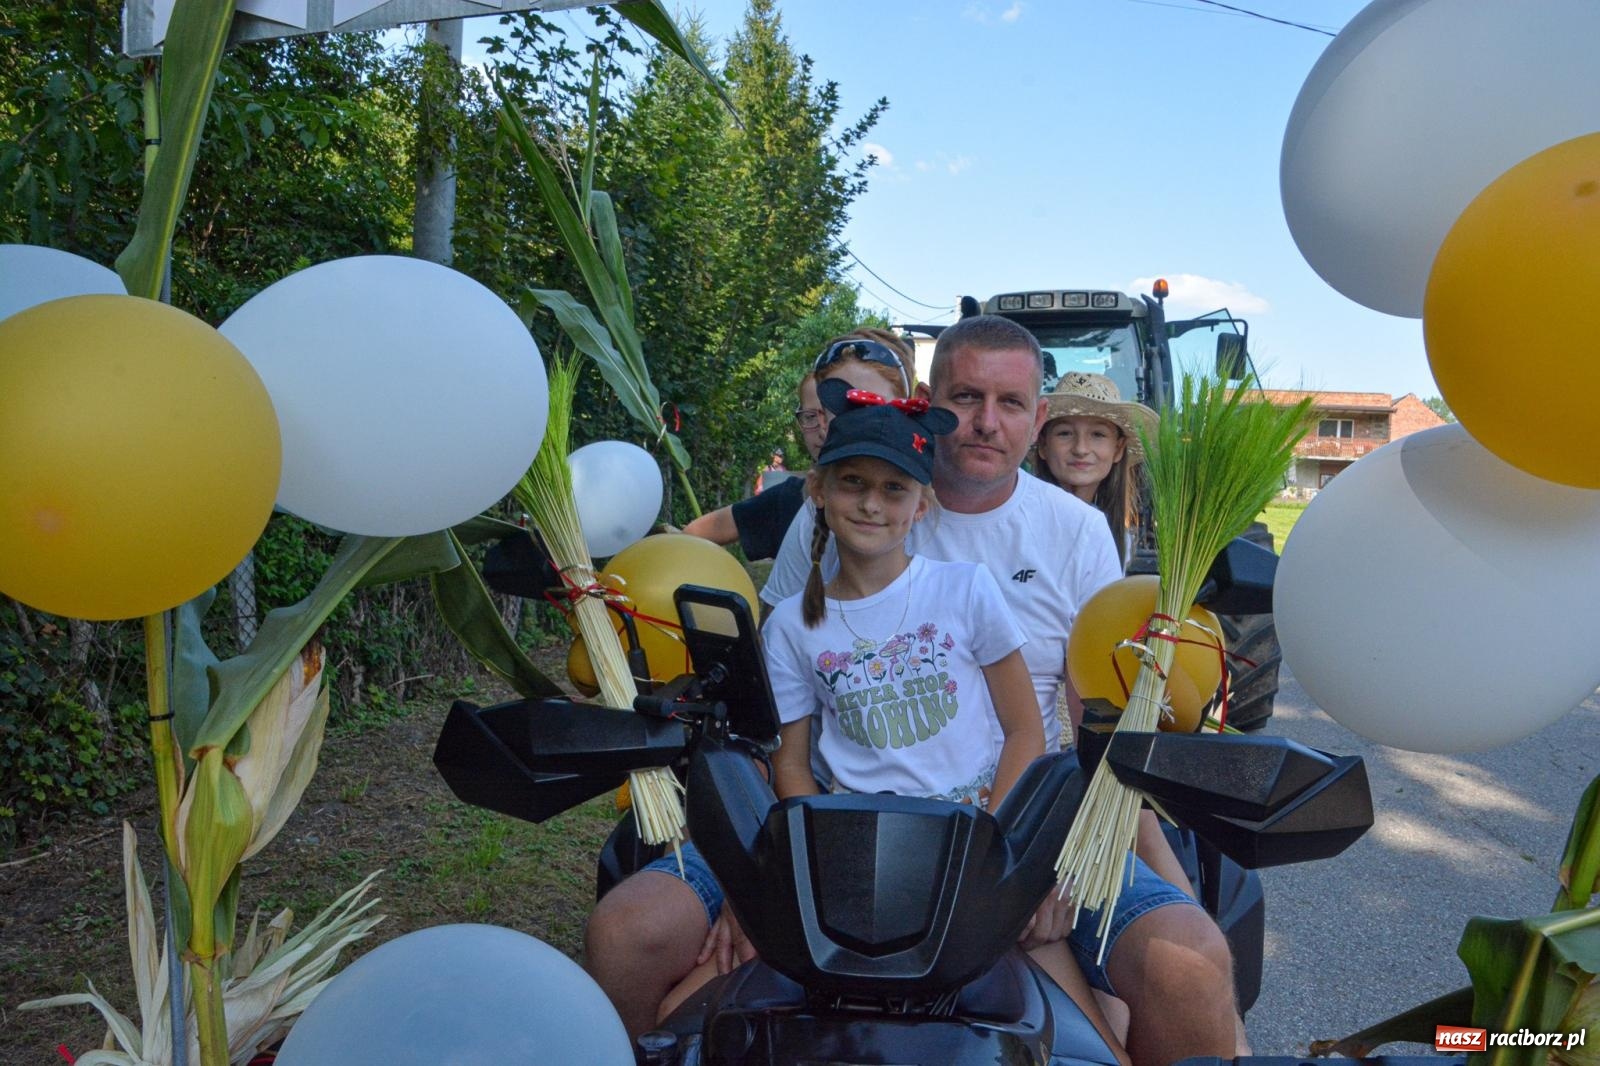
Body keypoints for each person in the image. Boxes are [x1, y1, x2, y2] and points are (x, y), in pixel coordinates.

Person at [760, 315, 1243, 1066]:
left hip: (1032, 817)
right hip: (860, 828)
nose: (988, 423)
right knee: (652, 937)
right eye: (967, 396)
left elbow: (1092, 715)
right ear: (929, 399)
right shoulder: (834, 522)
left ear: (1038, 418)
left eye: (1011, 404)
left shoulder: (1075, 532)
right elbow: (784, 693)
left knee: (1190, 962)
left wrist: (1061, 853)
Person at [584, 327, 918, 1039]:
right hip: (800, 806)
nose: (830, 422)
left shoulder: (959, 578)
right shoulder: (805, 534)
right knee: (627, 934)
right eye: (816, 412)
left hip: (913, 825)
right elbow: (778, 718)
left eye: (855, 402)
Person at [682, 374, 826, 561]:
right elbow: (692, 534)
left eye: (832, 413)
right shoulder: (787, 499)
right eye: (810, 416)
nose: (822, 429)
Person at [1031, 371, 1157, 570]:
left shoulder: (1120, 538)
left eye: (1098, 434)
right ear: (1043, 445)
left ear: (1118, 449)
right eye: (1065, 433)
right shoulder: (1019, 526)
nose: (1081, 449)